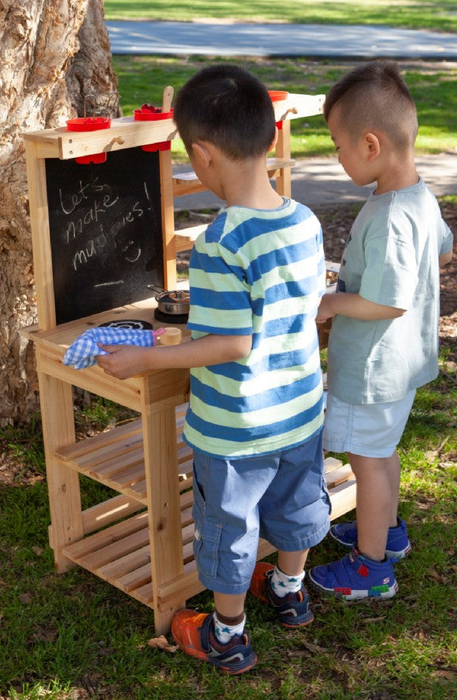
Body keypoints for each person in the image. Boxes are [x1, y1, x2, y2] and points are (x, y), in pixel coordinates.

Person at [97, 64, 329, 674]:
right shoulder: (304, 220)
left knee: (230, 525)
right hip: (301, 410)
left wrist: (147, 356)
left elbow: (229, 344)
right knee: (296, 506)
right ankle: (288, 592)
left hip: (237, 427)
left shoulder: (222, 240)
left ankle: (227, 633)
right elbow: (292, 311)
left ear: (201, 155)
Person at [308, 60, 453, 601]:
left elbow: (385, 302)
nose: (335, 155)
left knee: (365, 463)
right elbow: (442, 247)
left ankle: (371, 568)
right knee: (383, 451)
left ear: (370, 145)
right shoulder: (419, 196)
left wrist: (328, 302)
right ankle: (387, 533)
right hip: (405, 361)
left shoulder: (390, 215)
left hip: (371, 366)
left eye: (336, 144)